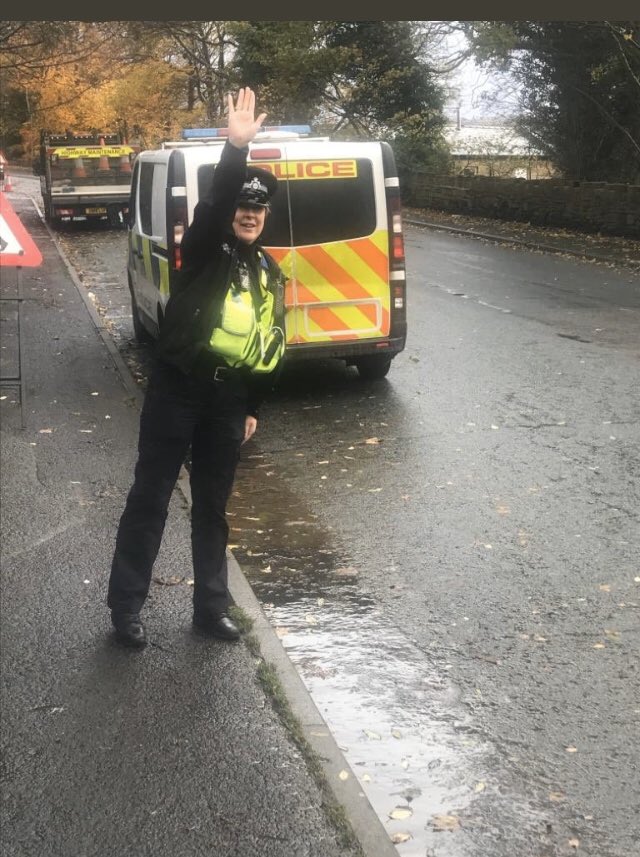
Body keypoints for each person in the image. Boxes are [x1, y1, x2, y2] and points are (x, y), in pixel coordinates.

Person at [107, 87, 286, 649]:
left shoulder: (268, 272)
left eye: (258, 209)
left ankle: (211, 607)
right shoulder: (205, 246)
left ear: (266, 217)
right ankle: (126, 607)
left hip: (228, 401)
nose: (250, 214)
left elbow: (267, 343)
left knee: (213, 508)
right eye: (243, 207)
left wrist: (252, 406)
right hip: (178, 390)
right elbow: (212, 206)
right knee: (151, 496)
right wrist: (236, 148)